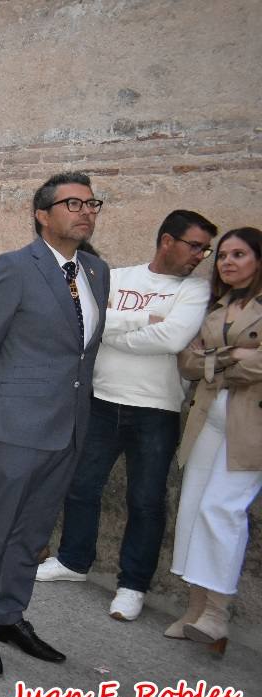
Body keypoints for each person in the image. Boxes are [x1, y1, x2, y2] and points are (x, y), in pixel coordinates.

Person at [0, 172, 109, 677]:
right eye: (74, 203)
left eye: (92, 203)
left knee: (34, 531)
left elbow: (81, 355)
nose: (86, 211)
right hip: (16, 425)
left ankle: (9, 614)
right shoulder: (14, 267)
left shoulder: (96, 271)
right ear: (43, 215)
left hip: (70, 426)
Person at [37, 210, 217, 622]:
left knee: (146, 501)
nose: (200, 256)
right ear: (167, 240)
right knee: (82, 486)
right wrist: (144, 321)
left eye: (206, 249)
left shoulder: (195, 291)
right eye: (195, 246)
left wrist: (114, 328)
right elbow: (85, 321)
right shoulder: (117, 277)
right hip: (102, 399)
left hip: (157, 408)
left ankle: (133, 585)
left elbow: (173, 338)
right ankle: (72, 561)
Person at [167, 227, 262, 652]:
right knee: (191, 508)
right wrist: (229, 358)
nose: (227, 262)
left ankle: (217, 615)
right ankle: (195, 607)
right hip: (207, 418)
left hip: (250, 425)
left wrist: (214, 359)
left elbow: (256, 367)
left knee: (220, 509)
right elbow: (187, 360)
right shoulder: (219, 305)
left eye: (239, 254)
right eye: (221, 255)